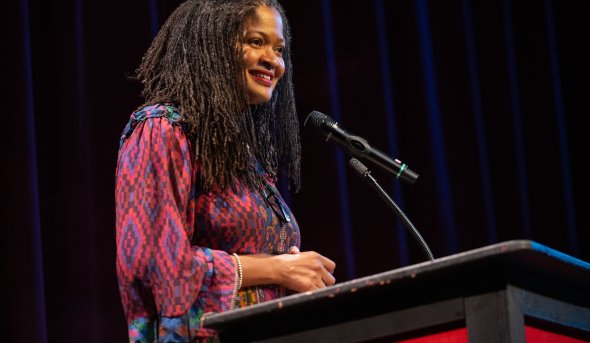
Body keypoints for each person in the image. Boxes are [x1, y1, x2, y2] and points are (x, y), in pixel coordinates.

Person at [115, 0, 336, 341]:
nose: (273, 60)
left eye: (279, 49)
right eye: (255, 42)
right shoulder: (162, 129)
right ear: (211, 43)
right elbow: (158, 267)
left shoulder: (237, 153)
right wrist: (277, 269)